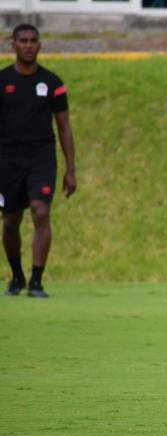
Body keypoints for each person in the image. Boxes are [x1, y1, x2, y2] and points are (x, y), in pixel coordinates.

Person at [0, 24, 76, 298]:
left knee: (41, 211)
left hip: (40, 159)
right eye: (23, 41)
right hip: (7, 160)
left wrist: (70, 170)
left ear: (39, 45)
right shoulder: (2, 81)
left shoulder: (52, 83)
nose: (29, 45)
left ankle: (36, 280)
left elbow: (64, 127)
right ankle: (17, 275)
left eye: (33, 41)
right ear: (14, 44)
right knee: (10, 221)